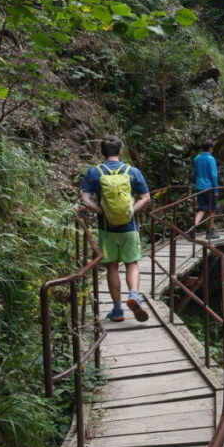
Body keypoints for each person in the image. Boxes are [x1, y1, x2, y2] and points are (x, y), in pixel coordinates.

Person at [80, 137, 151, 322]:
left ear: (102, 153)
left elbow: (85, 198)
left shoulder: (95, 172)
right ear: (120, 151)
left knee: (112, 266)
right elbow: (146, 198)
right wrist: (129, 213)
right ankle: (134, 295)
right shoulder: (132, 171)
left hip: (107, 228)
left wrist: (101, 212)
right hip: (129, 228)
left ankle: (117, 310)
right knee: (132, 263)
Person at [189, 140, 219, 240]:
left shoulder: (197, 158)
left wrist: (196, 183)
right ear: (210, 148)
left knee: (202, 209)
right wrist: (216, 191)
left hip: (199, 187)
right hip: (209, 187)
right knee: (212, 210)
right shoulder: (211, 159)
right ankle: (210, 232)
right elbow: (214, 175)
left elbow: (195, 173)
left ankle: (193, 228)